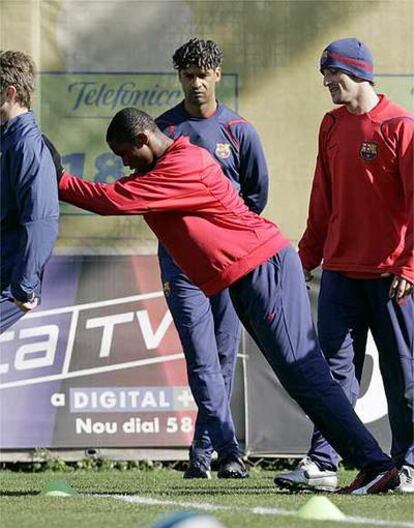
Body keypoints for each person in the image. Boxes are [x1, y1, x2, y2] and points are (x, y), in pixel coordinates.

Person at [48, 106, 401, 494]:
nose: (123, 163)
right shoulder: (169, 164)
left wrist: (60, 179)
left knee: (307, 376)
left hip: (265, 269)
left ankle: (376, 463)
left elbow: (111, 200)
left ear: (143, 140)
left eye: (125, 154)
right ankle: (370, 463)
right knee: (301, 379)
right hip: (249, 276)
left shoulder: (182, 166)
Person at [274, 38, 413, 494]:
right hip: (339, 272)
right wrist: (305, 259)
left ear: (359, 73)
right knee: (331, 375)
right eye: (324, 75)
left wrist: (409, 266)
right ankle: (323, 462)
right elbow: (322, 199)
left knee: (403, 374)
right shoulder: (331, 125)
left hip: (392, 277)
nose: (327, 82)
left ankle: (408, 463)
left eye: (333, 74)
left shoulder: (400, 126)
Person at [155, 38, 269, 479]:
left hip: (227, 265)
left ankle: (202, 455)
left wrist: (223, 238)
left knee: (221, 360)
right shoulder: (163, 130)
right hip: (181, 268)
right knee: (202, 360)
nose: (197, 83)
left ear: (218, 75)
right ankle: (228, 451)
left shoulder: (240, 131)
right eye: (189, 75)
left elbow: (255, 197)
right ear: (179, 77)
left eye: (204, 75)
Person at [0, 50, 59, 334]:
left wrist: (23, 287)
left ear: (10, 93)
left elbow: (40, 220)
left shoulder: (27, 147)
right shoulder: (6, 138)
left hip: (6, 280)